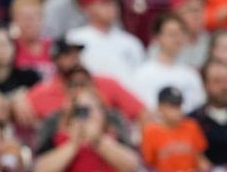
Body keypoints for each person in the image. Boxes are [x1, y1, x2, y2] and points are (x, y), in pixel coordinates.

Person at [16, 38, 146, 127]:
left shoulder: (106, 83)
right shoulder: (43, 92)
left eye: (77, 55)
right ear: (56, 61)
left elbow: (141, 112)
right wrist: (15, 102)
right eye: (68, 55)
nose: (75, 60)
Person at [32, 82, 140, 172]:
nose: (85, 116)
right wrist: (73, 144)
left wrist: (98, 141)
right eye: (79, 111)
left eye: (89, 109)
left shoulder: (115, 135)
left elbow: (132, 167)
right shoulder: (59, 138)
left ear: (102, 113)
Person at [66, 0, 145, 91]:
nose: (111, 7)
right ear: (88, 7)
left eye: (113, 2)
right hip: (93, 99)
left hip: (126, 101)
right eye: (104, 2)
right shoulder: (75, 38)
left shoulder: (131, 42)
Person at [132, 13, 205, 113]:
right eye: (171, 34)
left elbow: (198, 107)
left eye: (180, 34)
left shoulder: (191, 74)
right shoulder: (143, 74)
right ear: (157, 38)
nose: (177, 39)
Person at [141, 86, 210, 172]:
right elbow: (148, 165)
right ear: (160, 107)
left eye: (179, 105)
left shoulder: (191, 126)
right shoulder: (150, 131)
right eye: (172, 106)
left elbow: (199, 158)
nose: (177, 110)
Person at [10, 0, 55, 80]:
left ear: (42, 19)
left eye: (34, 16)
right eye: (24, 17)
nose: (29, 22)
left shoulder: (54, 47)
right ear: (15, 20)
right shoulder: (10, 48)